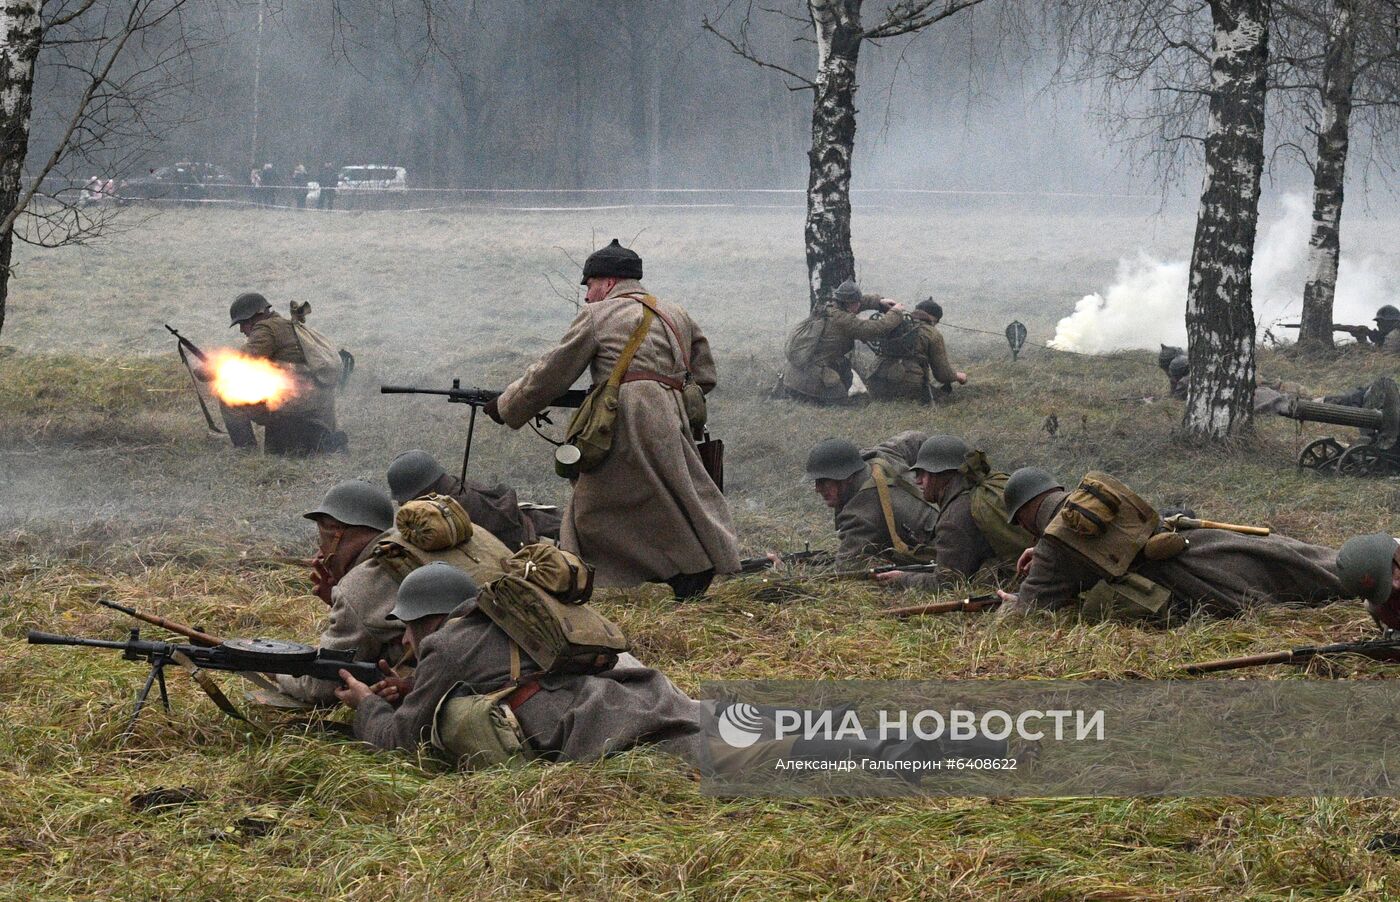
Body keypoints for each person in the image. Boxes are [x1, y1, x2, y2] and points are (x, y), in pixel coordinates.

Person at [335, 562, 1003, 775]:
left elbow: (404, 742)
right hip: (637, 694)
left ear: (420, 621)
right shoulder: (497, 620)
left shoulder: (447, 645)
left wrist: (366, 703)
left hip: (614, 729)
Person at [483, 239, 740, 599]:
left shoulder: (598, 316)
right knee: (675, 495)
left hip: (625, 418)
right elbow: (705, 376)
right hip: (673, 416)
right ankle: (688, 569)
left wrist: (506, 406)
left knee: (592, 505)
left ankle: (579, 576)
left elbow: (551, 373)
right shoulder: (676, 313)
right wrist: (662, 396)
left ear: (607, 282)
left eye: (589, 286)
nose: (587, 296)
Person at [994, 467, 1346, 621]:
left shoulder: (1055, 546)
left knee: (1285, 588)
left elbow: (1030, 613)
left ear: (1025, 515)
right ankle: (1378, 557)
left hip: (1190, 580)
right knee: (1289, 556)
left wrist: (1012, 603)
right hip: (1198, 542)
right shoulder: (1090, 497)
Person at [277, 481, 510, 705]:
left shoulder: (364, 582)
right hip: (518, 656)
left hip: (480, 686)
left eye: (322, 539)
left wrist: (277, 671)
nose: (320, 552)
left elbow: (319, 686)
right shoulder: (457, 537)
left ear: (337, 532)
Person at [874, 435, 1031, 588]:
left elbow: (947, 582)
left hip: (1020, 581)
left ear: (941, 475)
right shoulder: (987, 484)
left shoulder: (955, 517)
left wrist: (903, 579)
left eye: (922, 473)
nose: (917, 481)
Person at [205, 292, 346, 455]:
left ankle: (245, 451)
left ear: (256, 316)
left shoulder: (266, 328)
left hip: (297, 405)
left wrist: (208, 369)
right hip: (316, 406)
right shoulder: (284, 325)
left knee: (229, 396)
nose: (242, 330)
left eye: (243, 323)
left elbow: (243, 361)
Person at [804, 432, 937, 568]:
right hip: (952, 511)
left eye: (824, 481)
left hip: (945, 546)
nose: (817, 489)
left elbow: (845, 566)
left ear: (848, 477)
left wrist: (785, 568)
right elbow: (916, 438)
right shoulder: (880, 455)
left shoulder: (859, 514)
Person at [387, 449, 561, 550]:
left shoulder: (453, 509)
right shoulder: (454, 487)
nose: (403, 506)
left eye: (405, 500)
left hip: (540, 542)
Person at [779, 280, 907, 404]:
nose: (859, 304)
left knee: (843, 366)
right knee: (841, 401)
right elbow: (876, 328)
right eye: (856, 302)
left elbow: (859, 303)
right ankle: (811, 397)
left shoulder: (830, 308)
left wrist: (879, 302)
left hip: (794, 375)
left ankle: (804, 395)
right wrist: (896, 312)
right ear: (848, 304)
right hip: (808, 377)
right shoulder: (844, 321)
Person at [867, 299, 967, 403]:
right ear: (934, 319)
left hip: (875, 383)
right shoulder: (931, 333)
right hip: (906, 387)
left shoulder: (893, 321)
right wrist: (958, 376)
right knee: (945, 399)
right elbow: (942, 375)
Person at [1337, 534, 1400, 630]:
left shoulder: (1392, 549)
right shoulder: (1376, 605)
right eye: (1385, 587)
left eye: (1392, 571)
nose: (1396, 586)